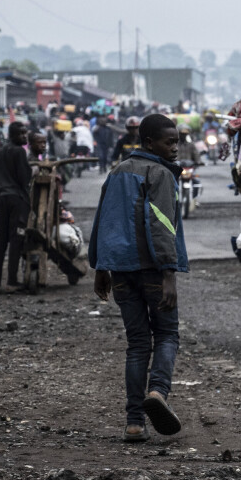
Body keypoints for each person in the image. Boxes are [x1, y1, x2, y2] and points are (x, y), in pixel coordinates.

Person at [89, 114, 187, 442]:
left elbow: (104, 220)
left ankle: (134, 422)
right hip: (153, 270)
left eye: (177, 141)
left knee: (137, 343)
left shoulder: (116, 172)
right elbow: (162, 225)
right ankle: (157, 392)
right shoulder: (159, 174)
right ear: (148, 143)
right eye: (169, 142)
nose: (175, 148)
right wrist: (169, 273)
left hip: (120, 270)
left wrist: (100, 266)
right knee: (168, 335)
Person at [0, 122, 31, 294]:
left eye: (25, 133)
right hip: (16, 200)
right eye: (21, 134)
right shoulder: (19, 151)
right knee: (15, 240)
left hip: (1, 199)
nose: (24, 137)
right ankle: (11, 281)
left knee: (0, 241)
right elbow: (24, 177)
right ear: (12, 135)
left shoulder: (3, 150)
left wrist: (2, 181)